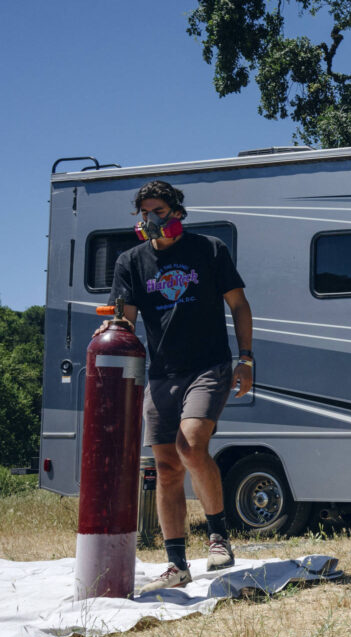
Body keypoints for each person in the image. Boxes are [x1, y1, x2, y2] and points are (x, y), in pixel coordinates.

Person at [94, 180, 254, 594]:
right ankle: (176, 563)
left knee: (191, 445)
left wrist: (246, 358)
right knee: (166, 469)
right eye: (144, 212)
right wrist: (115, 326)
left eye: (159, 211)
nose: (151, 220)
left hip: (209, 366)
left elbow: (238, 304)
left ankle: (218, 538)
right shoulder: (131, 261)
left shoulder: (209, 250)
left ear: (177, 212)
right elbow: (126, 317)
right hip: (162, 373)